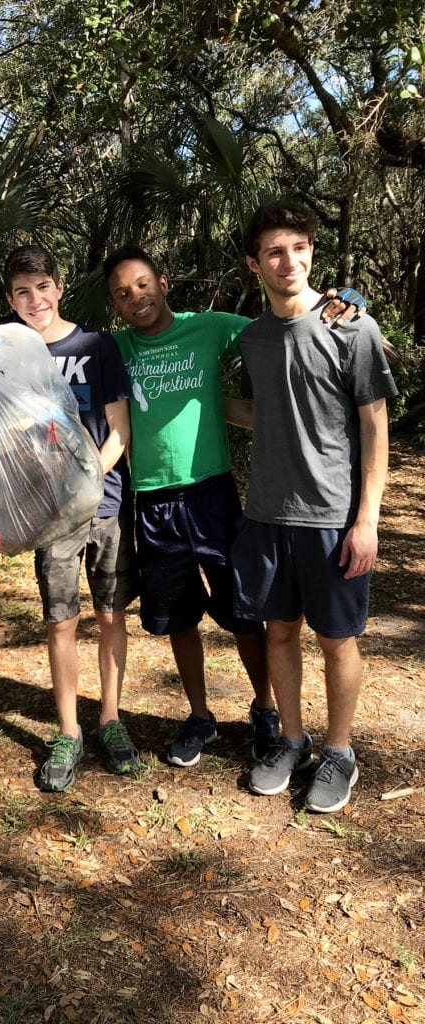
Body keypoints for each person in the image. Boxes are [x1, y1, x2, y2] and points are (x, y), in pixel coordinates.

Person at [103, 247, 363, 769]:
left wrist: (337, 304)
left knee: (245, 612)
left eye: (143, 284)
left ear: (163, 282)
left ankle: (265, 709)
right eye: (123, 293)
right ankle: (200, 716)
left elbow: (283, 328)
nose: (137, 298)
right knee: (178, 618)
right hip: (152, 500)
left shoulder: (210, 327)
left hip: (213, 495)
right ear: (115, 305)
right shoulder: (117, 349)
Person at [0, 243, 140, 792]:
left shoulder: (95, 345)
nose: (35, 300)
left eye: (42, 288)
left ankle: (110, 719)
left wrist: (88, 482)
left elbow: (119, 429)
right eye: (22, 292)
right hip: (46, 516)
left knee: (110, 615)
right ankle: (69, 731)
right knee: (60, 621)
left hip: (103, 503)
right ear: (10, 299)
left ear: (59, 287)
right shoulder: (2, 344)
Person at [230, 199, 397, 812]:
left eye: (299, 248)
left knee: (336, 640)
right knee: (278, 633)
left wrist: (367, 520)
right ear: (255, 264)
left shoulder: (352, 328)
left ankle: (339, 752)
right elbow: (263, 412)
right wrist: (191, 403)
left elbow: (375, 427)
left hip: (332, 517)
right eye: (275, 251)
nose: (289, 261)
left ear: (311, 252)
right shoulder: (252, 338)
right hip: (268, 514)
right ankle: (292, 741)